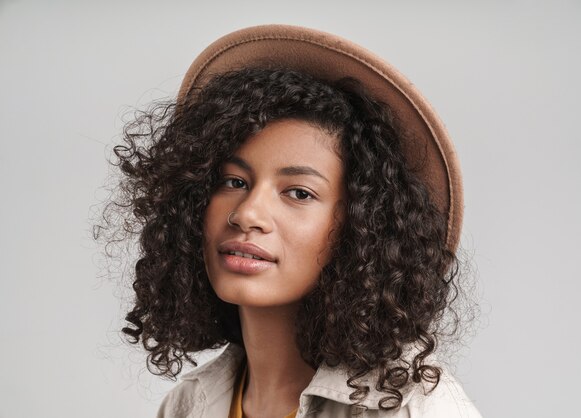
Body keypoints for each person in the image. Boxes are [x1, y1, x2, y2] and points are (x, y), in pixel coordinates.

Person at [96, 25, 481, 417]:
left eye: (299, 192)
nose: (247, 213)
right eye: (234, 181)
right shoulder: (186, 406)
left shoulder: (413, 409)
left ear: (365, 227)